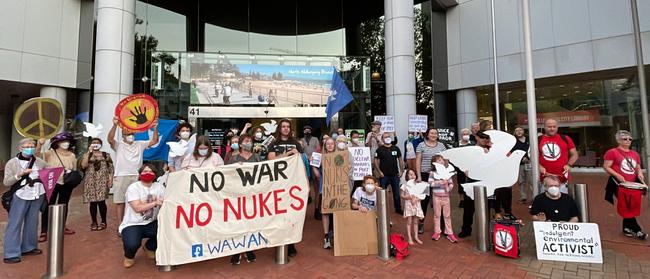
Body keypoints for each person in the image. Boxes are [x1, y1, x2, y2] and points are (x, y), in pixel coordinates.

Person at [108, 116, 159, 235]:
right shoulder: (119, 145)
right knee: (120, 202)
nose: (130, 135)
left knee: (137, 201)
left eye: (132, 133)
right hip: (121, 176)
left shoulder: (140, 144)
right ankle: (121, 225)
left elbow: (154, 141)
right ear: (123, 135)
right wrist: (114, 125)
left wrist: (155, 129)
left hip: (137, 176)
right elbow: (110, 139)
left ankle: (135, 223)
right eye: (127, 133)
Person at [3, 139, 47, 264]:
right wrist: (20, 174)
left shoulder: (40, 162)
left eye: (32, 146)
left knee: (33, 222)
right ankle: (11, 253)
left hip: (37, 194)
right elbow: (6, 182)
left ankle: (29, 247)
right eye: (27, 146)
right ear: (20, 148)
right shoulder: (12, 163)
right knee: (15, 223)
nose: (30, 148)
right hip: (20, 195)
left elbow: (48, 173)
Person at [267, 119, 303, 257]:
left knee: (292, 214)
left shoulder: (296, 144)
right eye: (283, 127)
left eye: (288, 127)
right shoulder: (273, 144)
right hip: (278, 184)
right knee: (278, 214)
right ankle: (278, 241)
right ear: (279, 129)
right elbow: (271, 160)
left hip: (293, 184)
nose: (286, 129)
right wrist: (287, 154)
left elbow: (301, 161)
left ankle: (291, 244)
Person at [602, 130, 647, 240]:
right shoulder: (612, 152)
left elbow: (637, 166)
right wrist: (617, 175)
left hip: (632, 184)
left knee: (631, 205)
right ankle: (637, 230)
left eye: (630, 139)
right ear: (618, 140)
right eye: (624, 139)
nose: (628, 141)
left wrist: (640, 173)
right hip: (619, 183)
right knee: (626, 205)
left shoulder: (634, 154)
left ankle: (626, 228)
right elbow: (606, 166)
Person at [119, 164, 164, 268]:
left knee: (168, 230)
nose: (147, 174)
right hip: (133, 224)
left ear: (155, 174)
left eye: (150, 172)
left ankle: (150, 247)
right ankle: (129, 256)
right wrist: (155, 202)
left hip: (152, 222)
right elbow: (137, 208)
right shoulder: (133, 188)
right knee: (132, 243)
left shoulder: (159, 186)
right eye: (144, 172)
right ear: (140, 174)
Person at [226, 134, 261, 264]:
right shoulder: (233, 159)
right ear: (240, 144)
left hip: (252, 196)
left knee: (251, 223)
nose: (249, 143)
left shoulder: (256, 157)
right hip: (237, 196)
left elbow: (263, 173)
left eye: (250, 141)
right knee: (237, 223)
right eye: (246, 141)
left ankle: (249, 249)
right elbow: (226, 175)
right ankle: (236, 250)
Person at [37, 132, 79, 242]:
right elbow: (37, 157)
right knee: (48, 205)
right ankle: (44, 230)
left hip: (66, 183)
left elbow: (74, 168)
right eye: (63, 141)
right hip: (51, 182)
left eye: (68, 141)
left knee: (64, 204)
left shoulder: (72, 155)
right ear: (57, 143)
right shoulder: (50, 153)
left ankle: (62, 226)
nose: (66, 143)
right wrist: (40, 144)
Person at [459, 130, 491, 238]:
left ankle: (487, 230)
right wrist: (465, 170)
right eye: (482, 137)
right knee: (468, 208)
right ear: (476, 137)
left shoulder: (491, 149)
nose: (484, 140)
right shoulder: (470, 149)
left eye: (486, 138)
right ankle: (466, 229)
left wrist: (489, 153)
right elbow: (462, 163)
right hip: (471, 181)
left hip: (487, 181)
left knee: (487, 207)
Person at [415, 128, 447, 234]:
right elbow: (418, 161)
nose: (434, 135)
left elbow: (445, 160)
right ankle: (421, 223)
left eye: (436, 133)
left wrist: (445, 174)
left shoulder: (441, 146)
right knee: (424, 200)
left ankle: (442, 225)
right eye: (432, 133)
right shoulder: (421, 145)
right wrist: (418, 176)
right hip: (424, 176)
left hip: (438, 176)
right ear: (427, 135)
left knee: (439, 200)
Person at [80, 138, 114, 231]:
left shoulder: (105, 155)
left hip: (102, 180)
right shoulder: (87, 154)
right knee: (93, 202)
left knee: (102, 202)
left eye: (98, 143)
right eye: (93, 143)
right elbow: (83, 165)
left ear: (101, 144)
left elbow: (111, 168)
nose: (95, 144)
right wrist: (88, 152)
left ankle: (103, 221)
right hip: (90, 180)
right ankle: (94, 221)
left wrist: (110, 180)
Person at [538, 118, 579, 194]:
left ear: (557, 127)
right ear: (544, 127)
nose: (552, 129)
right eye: (549, 127)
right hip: (544, 179)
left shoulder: (565, 138)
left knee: (562, 203)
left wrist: (569, 165)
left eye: (554, 126)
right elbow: (532, 157)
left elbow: (575, 154)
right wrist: (539, 166)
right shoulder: (538, 140)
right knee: (545, 203)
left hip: (562, 180)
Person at [428, 155, 458, 243]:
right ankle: (437, 231)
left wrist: (448, 188)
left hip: (446, 197)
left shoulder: (447, 173)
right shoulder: (433, 173)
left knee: (447, 215)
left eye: (442, 160)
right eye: (439, 160)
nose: (441, 161)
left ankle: (449, 232)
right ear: (434, 163)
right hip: (436, 197)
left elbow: (451, 183)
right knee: (437, 215)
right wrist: (440, 182)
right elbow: (430, 183)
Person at [375, 132, 405, 214]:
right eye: (385, 137)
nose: (387, 138)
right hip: (384, 175)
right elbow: (376, 161)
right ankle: (382, 209)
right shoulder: (379, 149)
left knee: (397, 193)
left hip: (395, 175)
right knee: (382, 193)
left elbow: (400, 159)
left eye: (388, 136)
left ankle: (398, 209)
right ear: (382, 139)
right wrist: (379, 171)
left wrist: (402, 170)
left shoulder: (396, 148)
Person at [400, 169, 424, 245]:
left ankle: (416, 237)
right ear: (407, 176)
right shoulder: (405, 185)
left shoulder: (418, 185)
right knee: (409, 222)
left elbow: (422, 195)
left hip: (416, 204)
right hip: (409, 205)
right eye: (410, 174)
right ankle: (410, 237)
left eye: (414, 174)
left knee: (416, 221)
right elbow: (402, 195)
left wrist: (416, 199)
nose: (412, 176)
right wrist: (408, 197)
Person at [300, 125, 320, 205]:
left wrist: (312, 156)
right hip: (305, 161)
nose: (307, 132)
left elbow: (318, 149)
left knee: (315, 179)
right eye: (305, 130)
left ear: (311, 131)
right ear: (303, 131)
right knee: (307, 180)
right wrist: (306, 157)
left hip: (314, 161)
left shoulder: (315, 139)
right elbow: (301, 150)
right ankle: (309, 196)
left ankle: (316, 196)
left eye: (309, 130)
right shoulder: (301, 140)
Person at [512, 127, 531, 204]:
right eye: (517, 130)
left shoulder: (529, 139)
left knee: (531, 181)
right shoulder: (513, 141)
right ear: (515, 132)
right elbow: (512, 152)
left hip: (529, 163)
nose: (519, 132)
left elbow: (533, 149)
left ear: (523, 131)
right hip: (519, 164)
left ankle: (533, 197)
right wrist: (520, 158)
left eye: (520, 130)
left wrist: (528, 158)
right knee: (521, 181)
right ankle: (523, 197)